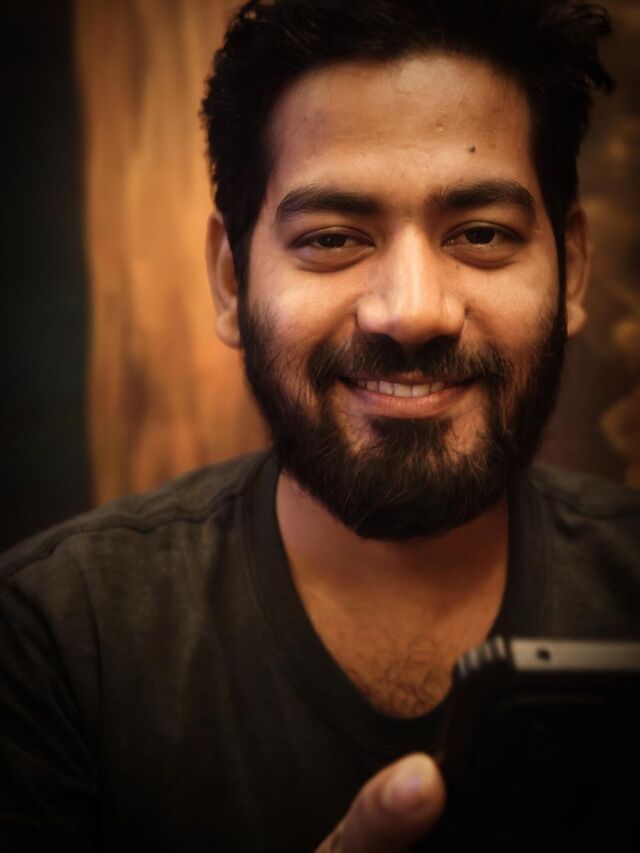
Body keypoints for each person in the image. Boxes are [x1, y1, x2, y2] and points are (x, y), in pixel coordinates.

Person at [1, 0, 639, 850]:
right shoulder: (55, 640)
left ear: (574, 268)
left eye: (481, 234)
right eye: (334, 238)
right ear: (232, 281)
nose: (412, 311)